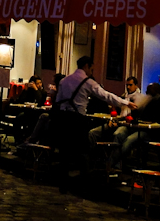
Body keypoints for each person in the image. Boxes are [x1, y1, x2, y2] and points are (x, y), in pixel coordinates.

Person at [51, 56, 136, 191]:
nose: (92, 71)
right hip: (78, 118)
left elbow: (58, 100)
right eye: (91, 68)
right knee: (83, 150)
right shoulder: (87, 82)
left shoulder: (63, 81)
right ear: (86, 66)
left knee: (64, 150)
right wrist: (126, 103)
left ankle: (63, 183)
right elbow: (105, 95)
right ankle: (84, 184)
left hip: (63, 118)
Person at [111, 82, 160, 167]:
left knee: (129, 140)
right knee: (118, 134)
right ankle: (117, 163)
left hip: (149, 132)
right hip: (135, 127)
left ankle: (112, 163)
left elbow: (159, 121)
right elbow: (136, 114)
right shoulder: (145, 100)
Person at [88, 76, 147, 148]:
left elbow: (138, 117)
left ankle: (113, 158)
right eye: (127, 85)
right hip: (118, 122)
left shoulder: (140, 99)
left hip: (128, 126)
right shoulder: (123, 97)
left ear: (136, 85)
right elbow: (117, 113)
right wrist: (113, 120)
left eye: (130, 85)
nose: (128, 87)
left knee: (117, 134)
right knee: (93, 132)